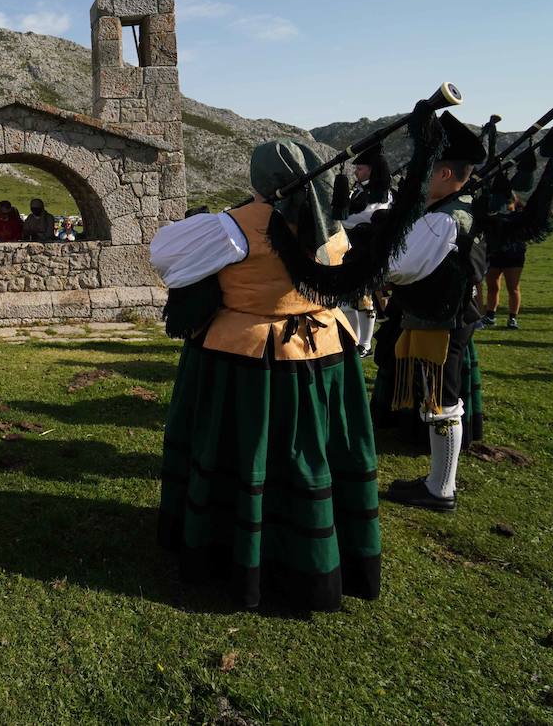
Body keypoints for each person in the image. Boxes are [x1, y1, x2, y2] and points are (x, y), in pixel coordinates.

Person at [151, 140, 397, 612]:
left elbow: (165, 258)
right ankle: (312, 550)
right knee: (311, 451)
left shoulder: (231, 228)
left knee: (248, 448)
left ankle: (236, 547)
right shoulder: (331, 226)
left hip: (244, 356)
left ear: (258, 180)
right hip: (323, 349)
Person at [376, 114, 489, 512]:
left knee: (441, 403)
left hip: (439, 324)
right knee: (438, 400)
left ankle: (441, 490)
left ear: (444, 172)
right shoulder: (461, 207)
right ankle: (437, 482)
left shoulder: (443, 218)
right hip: (444, 318)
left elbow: (397, 266)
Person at [339, 146, 392, 356]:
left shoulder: (381, 193)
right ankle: (355, 340)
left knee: (364, 300)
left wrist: (337, 219)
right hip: (353, 250)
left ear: (371, 170)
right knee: (349, 302)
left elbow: (365, 217)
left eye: (360, 168)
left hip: (367, 251)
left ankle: (366, 344)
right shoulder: (361, 190)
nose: (355, 172)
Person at [482, 194, 527, 329]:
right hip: (495, 254)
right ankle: (490, 315)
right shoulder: (493, 216)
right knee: (492, 286)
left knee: (513, 287)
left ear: (514, 202)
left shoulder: (520, 217)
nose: (505, 206)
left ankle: (512, 318)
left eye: (508, 202)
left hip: (513, 255)